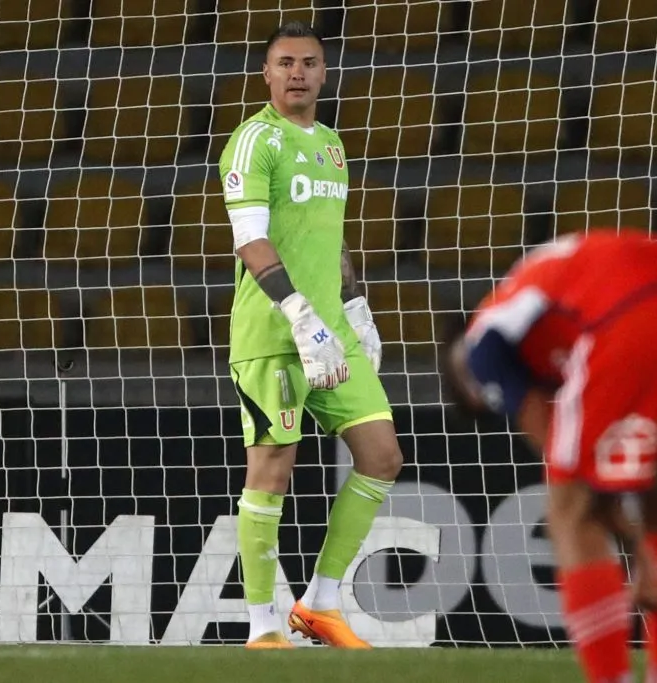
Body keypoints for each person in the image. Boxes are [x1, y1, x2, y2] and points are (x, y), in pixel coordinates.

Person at [442, 228, 657, 682]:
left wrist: (638, 556)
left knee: (568, 512)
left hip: (635, 318)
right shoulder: (551, 309)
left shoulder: (486, 344)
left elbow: (581, 489)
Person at [217, 21, 403, 649]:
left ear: (324, 74)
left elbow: (330, 237)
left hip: (332, 332)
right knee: (272, 468)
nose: (297, 72)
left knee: (381, 457)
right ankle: (263, 626)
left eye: (309, 63)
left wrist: (353, 305)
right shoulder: (253, 142)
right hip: (275, 331)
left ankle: (320, 604)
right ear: (266, 74)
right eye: (285, 63)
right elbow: (250, 237)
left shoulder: (331, 145)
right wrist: (299, 311)